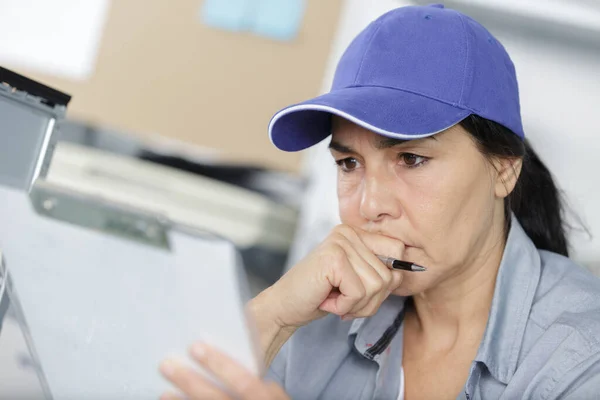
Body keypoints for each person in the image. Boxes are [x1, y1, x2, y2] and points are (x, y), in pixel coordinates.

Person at [158, 4, 600, 399]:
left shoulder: (582, 356)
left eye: (410, 158)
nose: (369, 206)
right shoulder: (318, 319)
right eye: (349, 164)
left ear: (504, 169)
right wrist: (274, 311)